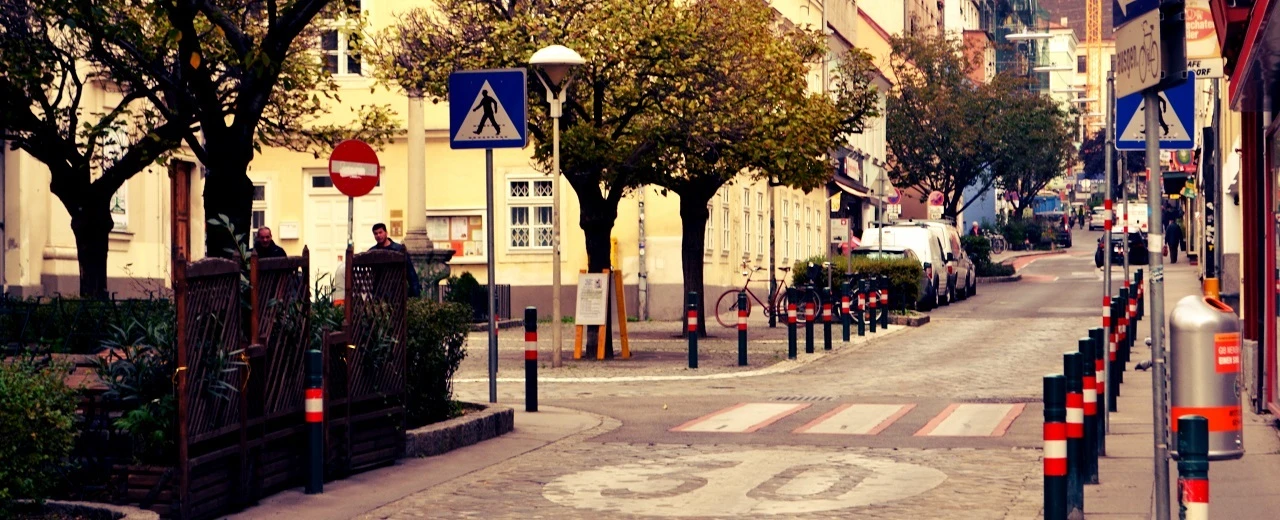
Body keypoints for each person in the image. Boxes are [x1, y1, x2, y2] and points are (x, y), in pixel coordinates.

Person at [370, 223, 422, 297]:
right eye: (376, 234)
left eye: (380, 232)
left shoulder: (398, 249)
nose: (378, 235)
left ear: (386, 233)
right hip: (379, 292)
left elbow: (410, 272)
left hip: (397, 292)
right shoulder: (373, 252)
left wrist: (415, 291)